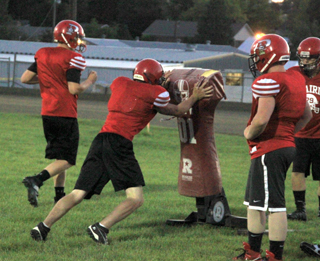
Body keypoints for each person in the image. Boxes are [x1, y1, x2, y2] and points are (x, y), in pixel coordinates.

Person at [28, 58, 214, 244]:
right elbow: (178, 109)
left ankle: (43, 226)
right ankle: (101, 227)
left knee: (77, 193)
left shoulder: (120, 83)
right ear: (152, 78)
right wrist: (195, 96)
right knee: (136, 199)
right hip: (119, 143)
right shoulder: (156, 92)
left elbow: (141, 95)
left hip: (100, 140)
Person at [233, 34, 312, 261]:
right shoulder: (295, 78)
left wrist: (248, 132)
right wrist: (287, 133)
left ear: (268, 55)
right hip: (284, 146)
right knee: (255, 203)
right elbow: (306, 115)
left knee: (275, 205)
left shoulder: (269, 81)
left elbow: (261, 119)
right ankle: (254, 252)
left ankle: (274, 256)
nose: (256, 60)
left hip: (270, 148)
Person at [20, 20, 98, 207]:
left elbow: (25, 78)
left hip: (47, 112)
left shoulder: (43, 53)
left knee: (60, 158)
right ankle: (36, 180)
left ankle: (59, 196)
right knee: (68, 160)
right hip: (65, 113)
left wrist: (49, 81)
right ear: (69, 36)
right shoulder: (73, 58)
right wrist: (90, 81)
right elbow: (74, 89)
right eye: (77, 37)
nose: (80, 41)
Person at [287, 37, 320, 221]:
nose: (305, 62)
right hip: (300, 134)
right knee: (297, 171)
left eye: (310, 58)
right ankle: (300, 210)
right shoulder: (293, 73)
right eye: (303, 58)